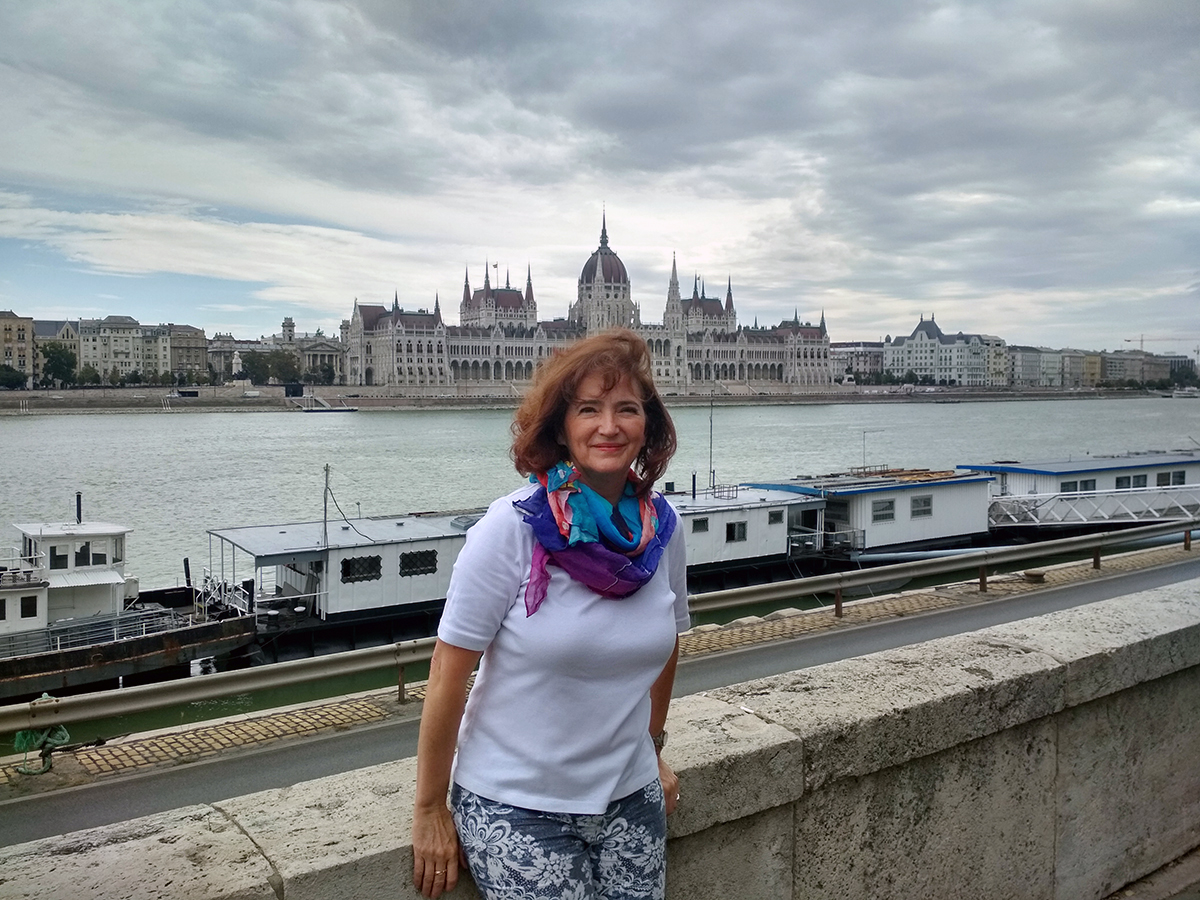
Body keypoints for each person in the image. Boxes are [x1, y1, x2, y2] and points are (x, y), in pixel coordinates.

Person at [411, 328, 688, 900]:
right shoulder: (512, 527)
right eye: (588, 409)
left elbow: (667, 642)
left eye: (626, 409)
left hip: (631, 796)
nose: (609, 426)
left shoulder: (662, 528)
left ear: (648, 425)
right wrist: (429, 807)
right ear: (560, 427)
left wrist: (654, 748)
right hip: (517, 802)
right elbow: (446, 673)